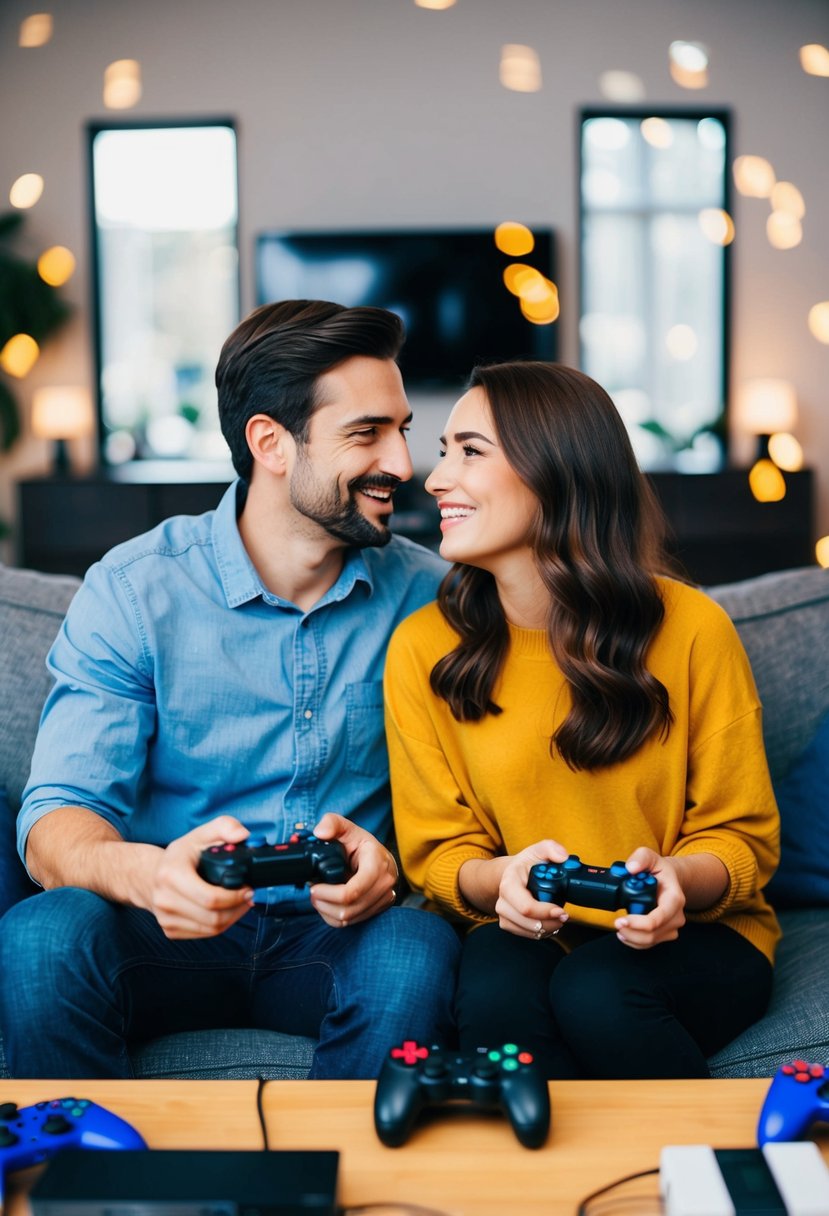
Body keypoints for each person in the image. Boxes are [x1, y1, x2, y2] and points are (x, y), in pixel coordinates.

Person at [0, 299, 460, 1079]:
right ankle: (91, 1189)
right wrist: (152, 875)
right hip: (160, 931)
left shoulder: (433, 596)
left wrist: (398, 866)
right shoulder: (135, 591)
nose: (403, 465)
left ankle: (340, 1190)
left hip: (333, 938)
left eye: (401, 429)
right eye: (365, 433)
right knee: (42, 934)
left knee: (414, 946)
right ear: (269, 443)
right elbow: (54, 822)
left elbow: (480, 799)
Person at [384, 360, 781, 1079]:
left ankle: (704, 1180)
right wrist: (498, 878)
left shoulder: (692, 629)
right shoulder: (421, 648)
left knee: (597, 988)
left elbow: (743, 841)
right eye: (442, 452)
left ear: (556, 470)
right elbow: (437, 853)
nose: (435, 478)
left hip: (697, 935)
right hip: (524, 929)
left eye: (469, 451)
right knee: (496, 996)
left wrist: (673, 882)